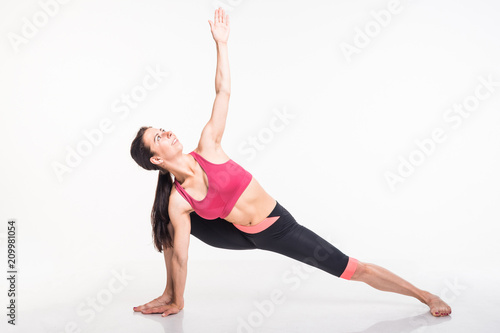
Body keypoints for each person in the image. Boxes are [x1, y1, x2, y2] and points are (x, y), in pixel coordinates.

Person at [131, 8, 452, 318]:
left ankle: (426, 295)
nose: (167, 132)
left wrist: (221, 44)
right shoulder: (178, 200)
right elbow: (182, 258)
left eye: (162, 129)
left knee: (352, 268)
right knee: (168, 223)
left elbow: (223, 91)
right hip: (234, 233)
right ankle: (171, 296)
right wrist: (180, 299)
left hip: (275, 227)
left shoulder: (209, 145)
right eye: (159, 137)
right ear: (157, 159)